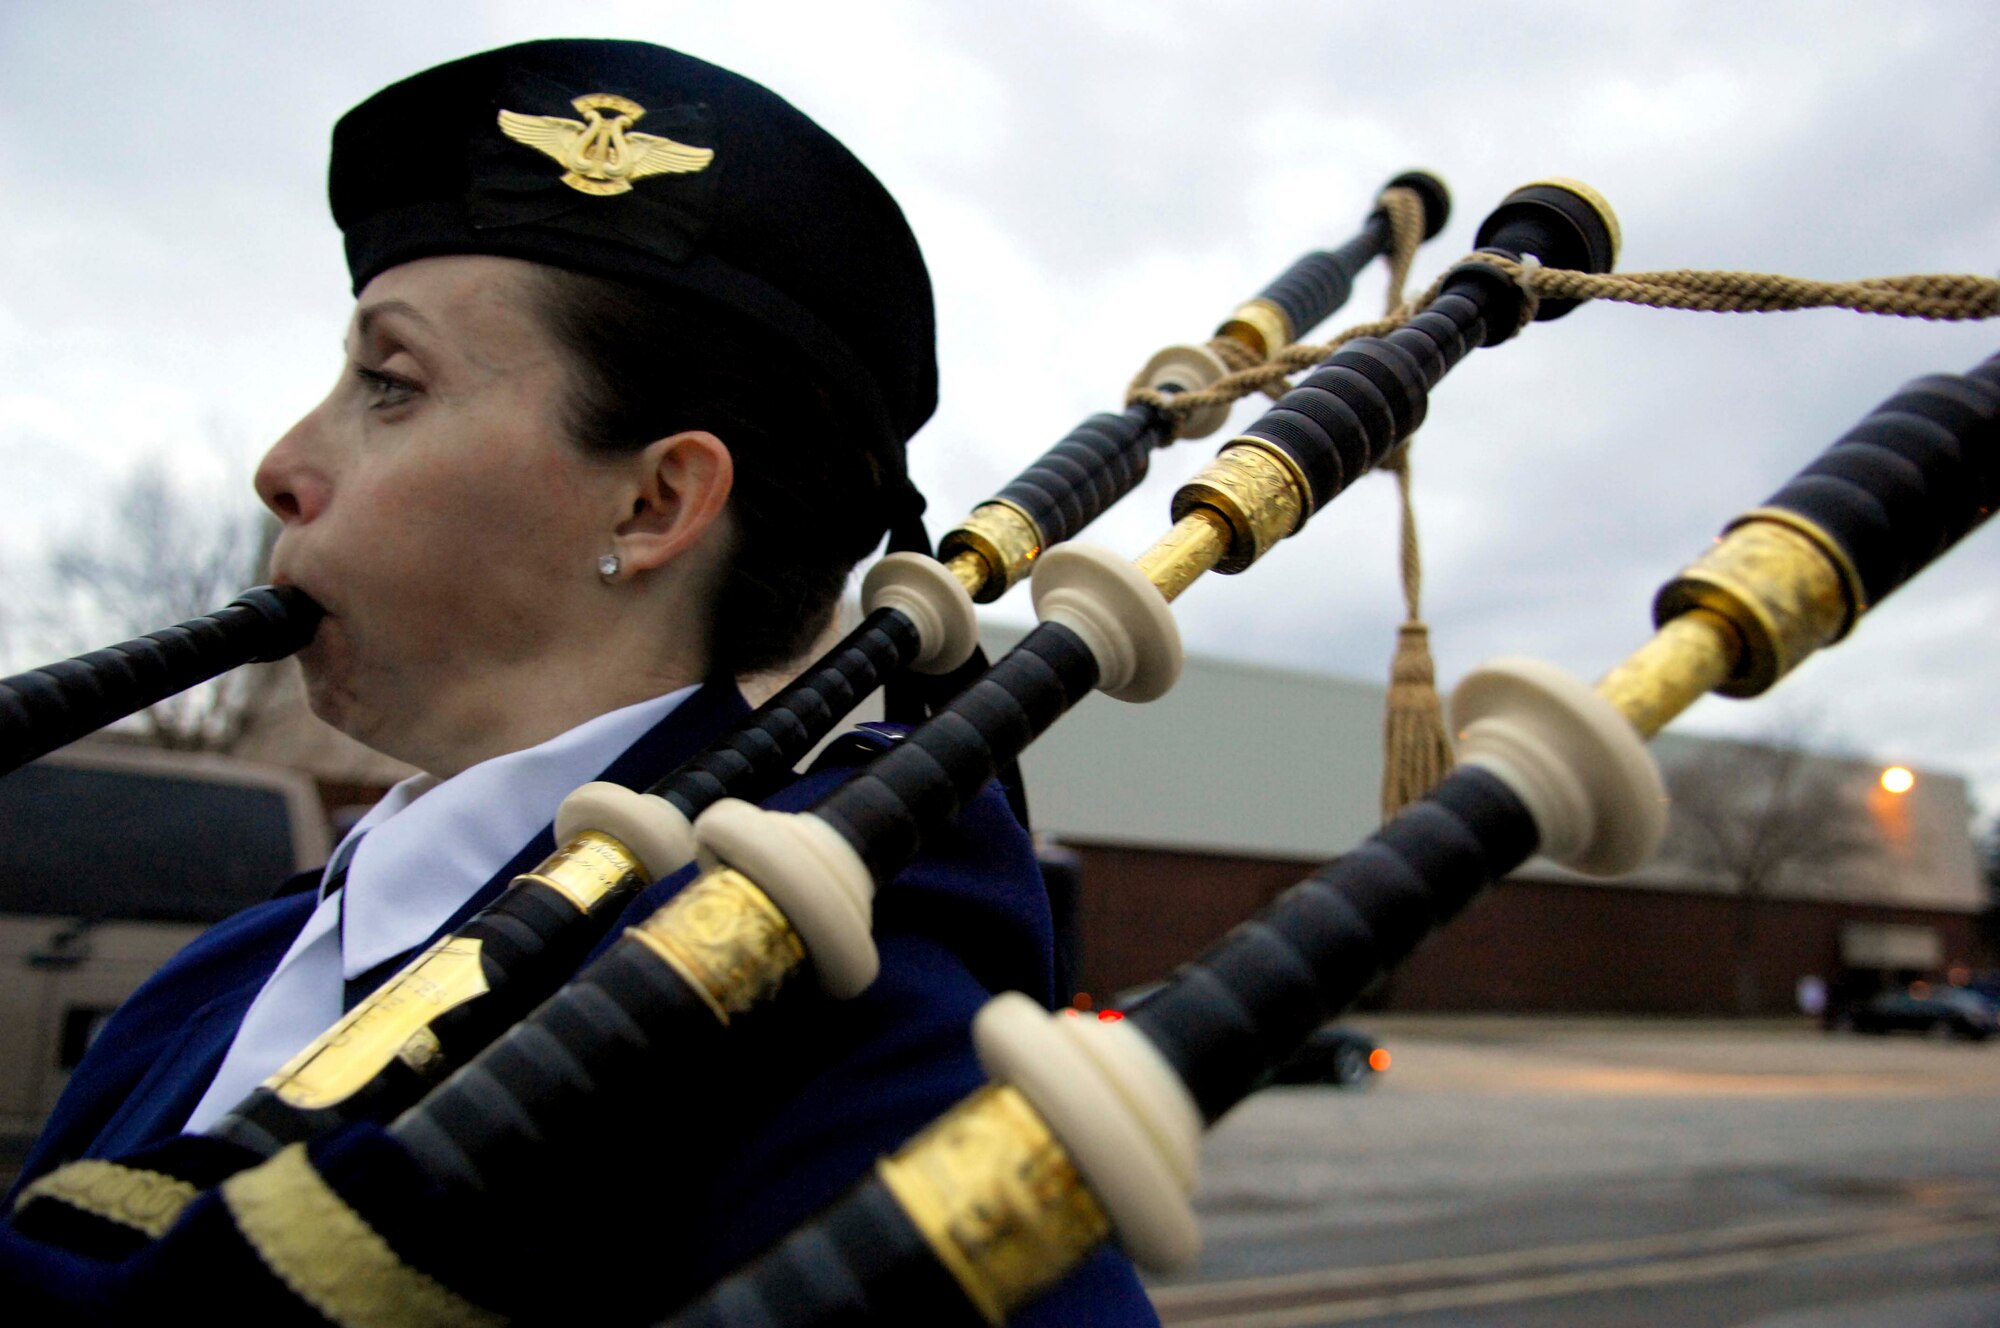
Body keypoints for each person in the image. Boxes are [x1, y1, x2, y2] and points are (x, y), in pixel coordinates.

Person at [3, 38, 1157, 1324]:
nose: (282, 463)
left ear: (655, 499)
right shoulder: (220, 973)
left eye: (388, 382)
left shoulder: (831, 1013)